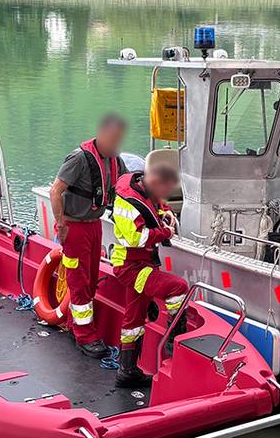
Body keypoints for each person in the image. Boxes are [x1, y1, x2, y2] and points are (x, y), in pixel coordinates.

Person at [49, 114, 127, 358]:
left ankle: (75, 324)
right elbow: (55, 191)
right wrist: (61, 224)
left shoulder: (115, 160)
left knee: (91, 279)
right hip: (75, 227)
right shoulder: (79, 159)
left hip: (94, 225)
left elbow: (125, 186)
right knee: (79, 281)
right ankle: (85, 337)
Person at [110, 163, 188, 388]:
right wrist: (167, 232)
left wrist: (167, 213)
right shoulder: (127, 204)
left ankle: (127, 371)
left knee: (133, 320)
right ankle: (175, 339)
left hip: (141, 264)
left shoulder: (145, 189)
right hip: (131, 267)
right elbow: (137, 239)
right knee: (178, 287)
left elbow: (157, 205)